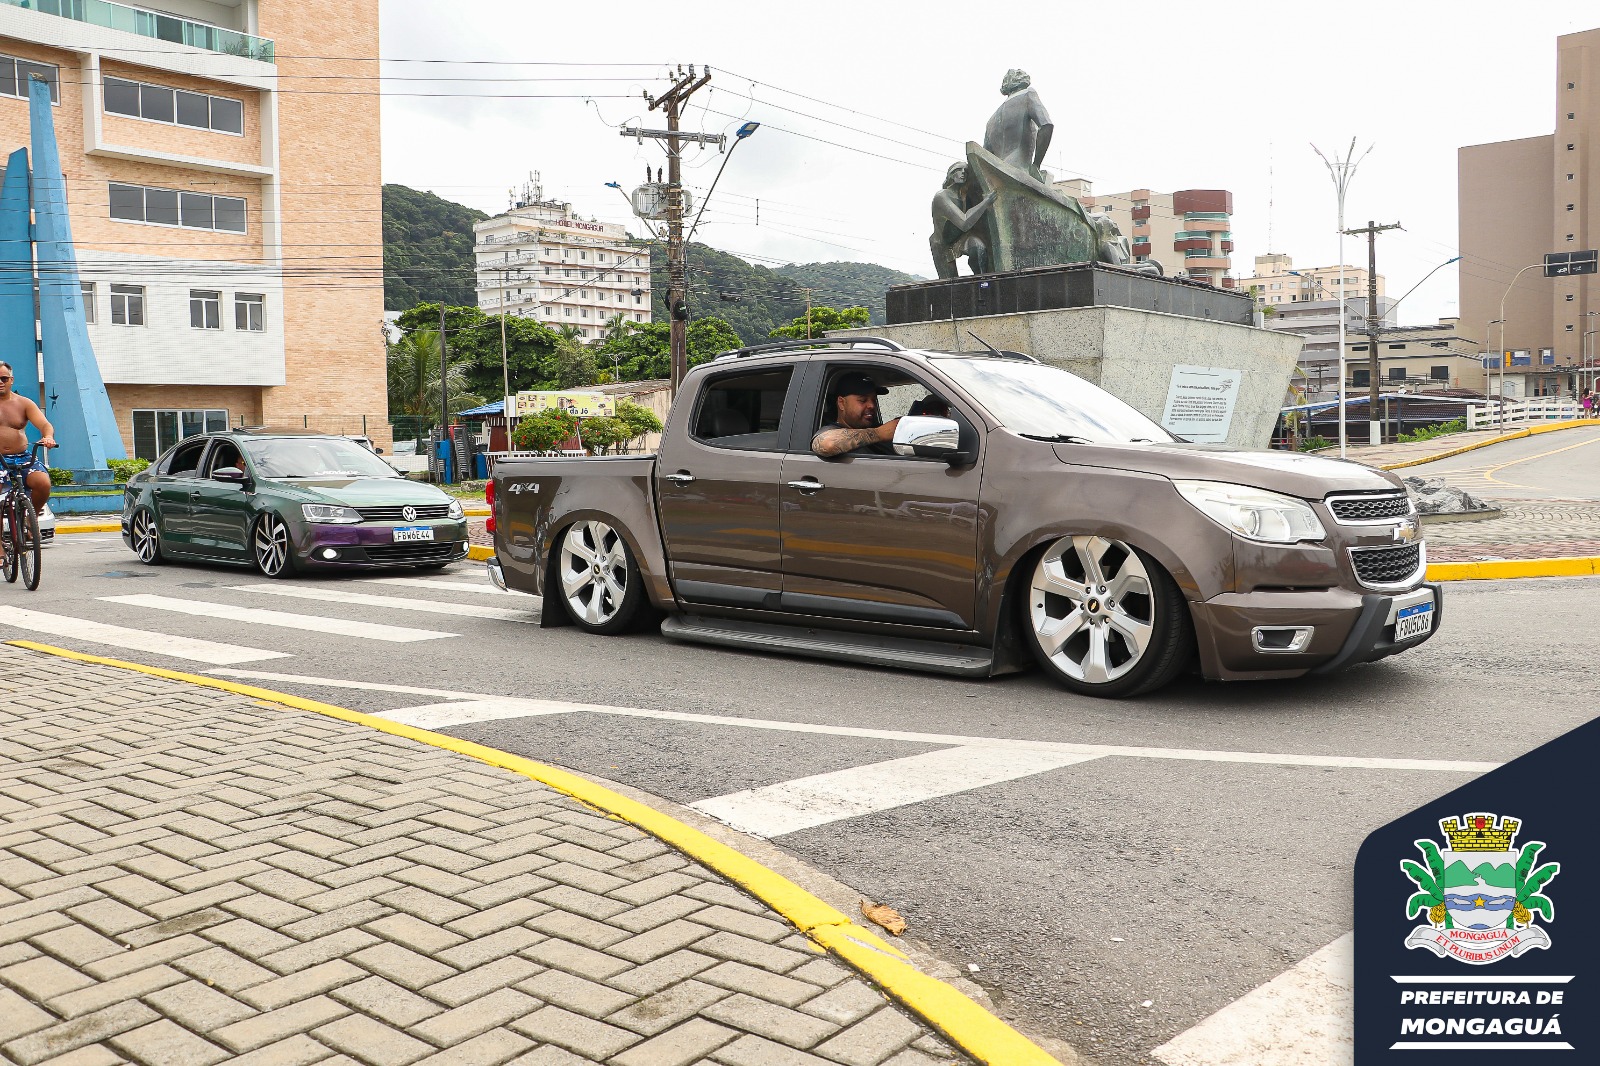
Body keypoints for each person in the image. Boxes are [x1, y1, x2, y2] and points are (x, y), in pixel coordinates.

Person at [0, 360, 56, 511]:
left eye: (4, 379)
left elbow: (45, 425)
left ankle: (32, 519)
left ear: (11, 380)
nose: (0, 382)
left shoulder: (24, 403)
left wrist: (48, 437)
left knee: (42, 483)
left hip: (22, 457)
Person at [811, 372, 900, 458]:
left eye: (874, 400)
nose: (872, 406)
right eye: (863, 400)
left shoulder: (880, 429)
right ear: (841, 403)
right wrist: (879, 433)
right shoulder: (831, 430)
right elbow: (828, 444)